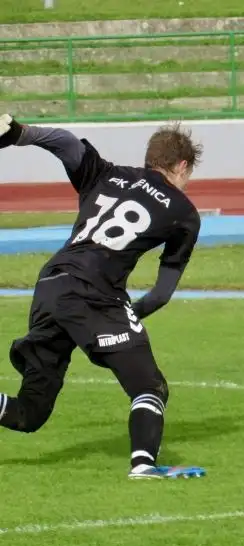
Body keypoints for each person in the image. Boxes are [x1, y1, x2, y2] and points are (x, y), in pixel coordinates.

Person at [0, 114, 206, 480]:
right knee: (149, 385)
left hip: (50, 283)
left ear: (150, 158)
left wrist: (20, 133)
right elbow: (161, 293)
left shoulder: (108, 173)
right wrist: (132, 313)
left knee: (29, 413)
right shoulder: (184, 213)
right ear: (183, 165)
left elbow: (64, 141)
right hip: (93, 293)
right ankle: (143, 465)